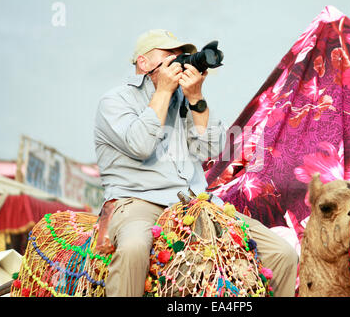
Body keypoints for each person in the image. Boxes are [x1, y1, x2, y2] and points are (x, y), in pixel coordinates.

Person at [94, 29, 298, 297]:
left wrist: (196, 99)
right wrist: (164, 93)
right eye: (169, 55)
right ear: (143, 63)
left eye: (182, 56)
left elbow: (210, 150)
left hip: (195, 202)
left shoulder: (185, 99)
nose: (178, 61)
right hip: (138, 201)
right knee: (133, 248)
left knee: (282, 253)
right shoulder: (115, 101)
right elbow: (140, 146)